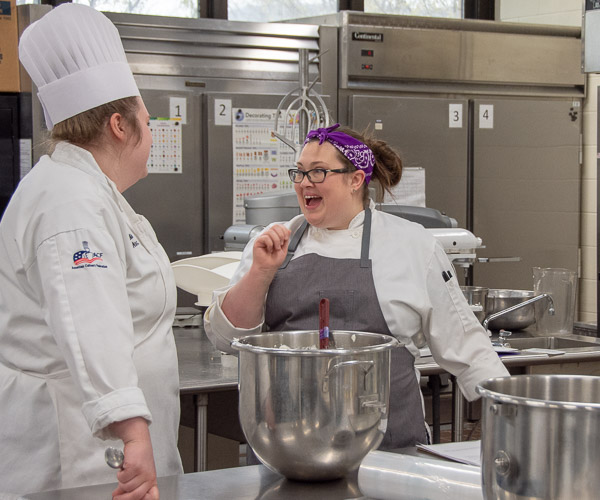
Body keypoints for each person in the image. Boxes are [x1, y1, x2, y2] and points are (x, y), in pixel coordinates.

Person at [204, 123, 509, 450]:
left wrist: (510, 419)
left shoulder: (411, 245)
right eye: (300, 172)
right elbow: (225, 338)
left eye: (319, 172)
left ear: (355, 179)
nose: (305, 183)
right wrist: (260, 273)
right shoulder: (274, 242)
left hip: (388, 451)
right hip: (289, 449)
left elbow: (465, 344)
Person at [0, 4, 182, 497]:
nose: (154, 130)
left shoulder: (90, 191)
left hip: (107, 446)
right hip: (81, 455)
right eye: (149, 117)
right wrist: (131, 428)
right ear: (121, 126)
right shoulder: (71, 202)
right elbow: (90, 322)